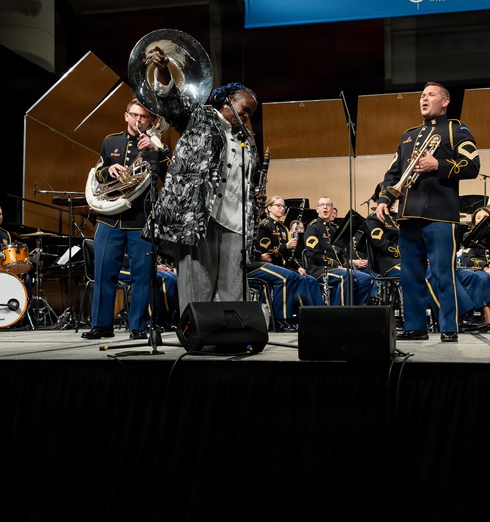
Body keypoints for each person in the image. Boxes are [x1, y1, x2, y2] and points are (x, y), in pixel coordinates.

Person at [143, 50, 261, 316]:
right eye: (244, 109)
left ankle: (228, 334)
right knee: (198, 282)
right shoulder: (201, 117)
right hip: (201, 215)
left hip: (237, 221)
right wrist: (164, 71)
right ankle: (197, 335)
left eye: (250, 114)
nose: (246, 116)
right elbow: (173, 104)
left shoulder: (247, 140)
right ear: (228, 100)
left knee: (233, 285)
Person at [375, 81, 481, 342]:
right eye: (422, 96)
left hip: (440, 215)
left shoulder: (457, 130)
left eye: (430, 95)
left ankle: (448, 328)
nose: (424, 99)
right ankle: (415, 327)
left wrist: (438, 164)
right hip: (408, 215)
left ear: (445, 102)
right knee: (410, 276)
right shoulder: (408, 135)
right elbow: (393, 172)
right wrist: (384, 199)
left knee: (444, 274)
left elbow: (473, 165)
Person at [82, 99, 171, 340]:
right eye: (134, 115)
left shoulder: (156, 146)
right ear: (126, 116)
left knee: (142, 276)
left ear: (150, 120)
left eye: (143, 117)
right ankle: (101, 325)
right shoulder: (110, 140)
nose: (138, 120)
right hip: (109, 217)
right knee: (103, 273)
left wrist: (156, 151)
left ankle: (138, 327)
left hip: (140, 219)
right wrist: (108, 171)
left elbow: (169, 176)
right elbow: (98, 171)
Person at [248, 195, 324, 331]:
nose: (282, 208)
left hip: (282, 266)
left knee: (310, 280)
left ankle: (317, 315)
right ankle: (282, 318)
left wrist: (298, 267)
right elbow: (266, 253)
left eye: (283, 206)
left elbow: (289, 256)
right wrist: (286, 246)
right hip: (270, 265)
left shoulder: (283, 228)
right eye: (278, 205)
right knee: (289, 277)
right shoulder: (265, 226)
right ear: (269, 208)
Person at [303, 197, 373, 306]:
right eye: (322, 205)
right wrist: (337, 266)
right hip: (320, 270)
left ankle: (354, 309)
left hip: (339, 269)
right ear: (317, 209)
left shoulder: (334, 229)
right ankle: (340, 314)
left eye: (328, 205)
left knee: (366, 279)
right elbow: (315, 254)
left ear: (332, 210)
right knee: (346, 276)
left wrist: (346, 267)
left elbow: (342, 254)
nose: (325, 207)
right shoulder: (313, 227)